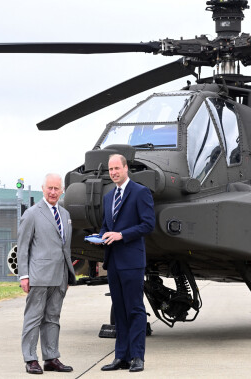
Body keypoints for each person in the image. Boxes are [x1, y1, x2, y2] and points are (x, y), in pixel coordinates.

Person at [99, 154, 155, 373]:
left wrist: (122, 235)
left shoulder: (140, 192)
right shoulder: (108, 197)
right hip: (113, 261)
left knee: (135, 309)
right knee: (119, 311)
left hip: (132, 261)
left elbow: (148, 225)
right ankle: (120, 356)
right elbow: (106, 225)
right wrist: (101, 235)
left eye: (116, 168)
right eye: (110, 169)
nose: (113, 172)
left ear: (126, 168)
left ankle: (137, 357)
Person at [17, 173, 77, 375]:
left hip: (59, 276)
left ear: (62, 191)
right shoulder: (32, 214)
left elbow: (65, 248)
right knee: (33, 317)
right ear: (43, 189)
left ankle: (51, 358)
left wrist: (68, 274)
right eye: (49, 188)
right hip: (38, 275)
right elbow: (23, 248)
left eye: (56, 188)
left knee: (53, 317)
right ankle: (30, 359)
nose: (53, 192)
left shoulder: (66, 215)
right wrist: (23, 275)